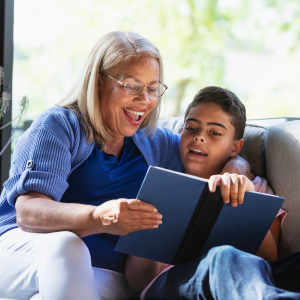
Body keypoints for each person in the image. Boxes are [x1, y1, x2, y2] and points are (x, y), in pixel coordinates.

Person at [0, 32, 249, 300]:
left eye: (152, 88)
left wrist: (234, 168)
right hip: (26, 248)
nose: (145, 100)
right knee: (68, 247)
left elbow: (209, 154)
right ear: (98, 82)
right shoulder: (59, 125)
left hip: (108, 272)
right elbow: (28, 212)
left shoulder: (156, 143)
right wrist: (99, 218)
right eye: (132, 85)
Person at [125, 86, 300, 300]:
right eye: (191, 128)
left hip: (247, 285)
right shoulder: (162, 186)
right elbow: (138, 280)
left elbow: (269, 260)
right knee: (223, 256)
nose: (199, 137)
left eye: (214, 133)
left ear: (236, 147)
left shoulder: (254, 186)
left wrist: (247, 201)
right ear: (181, 132)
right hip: (172, 285)